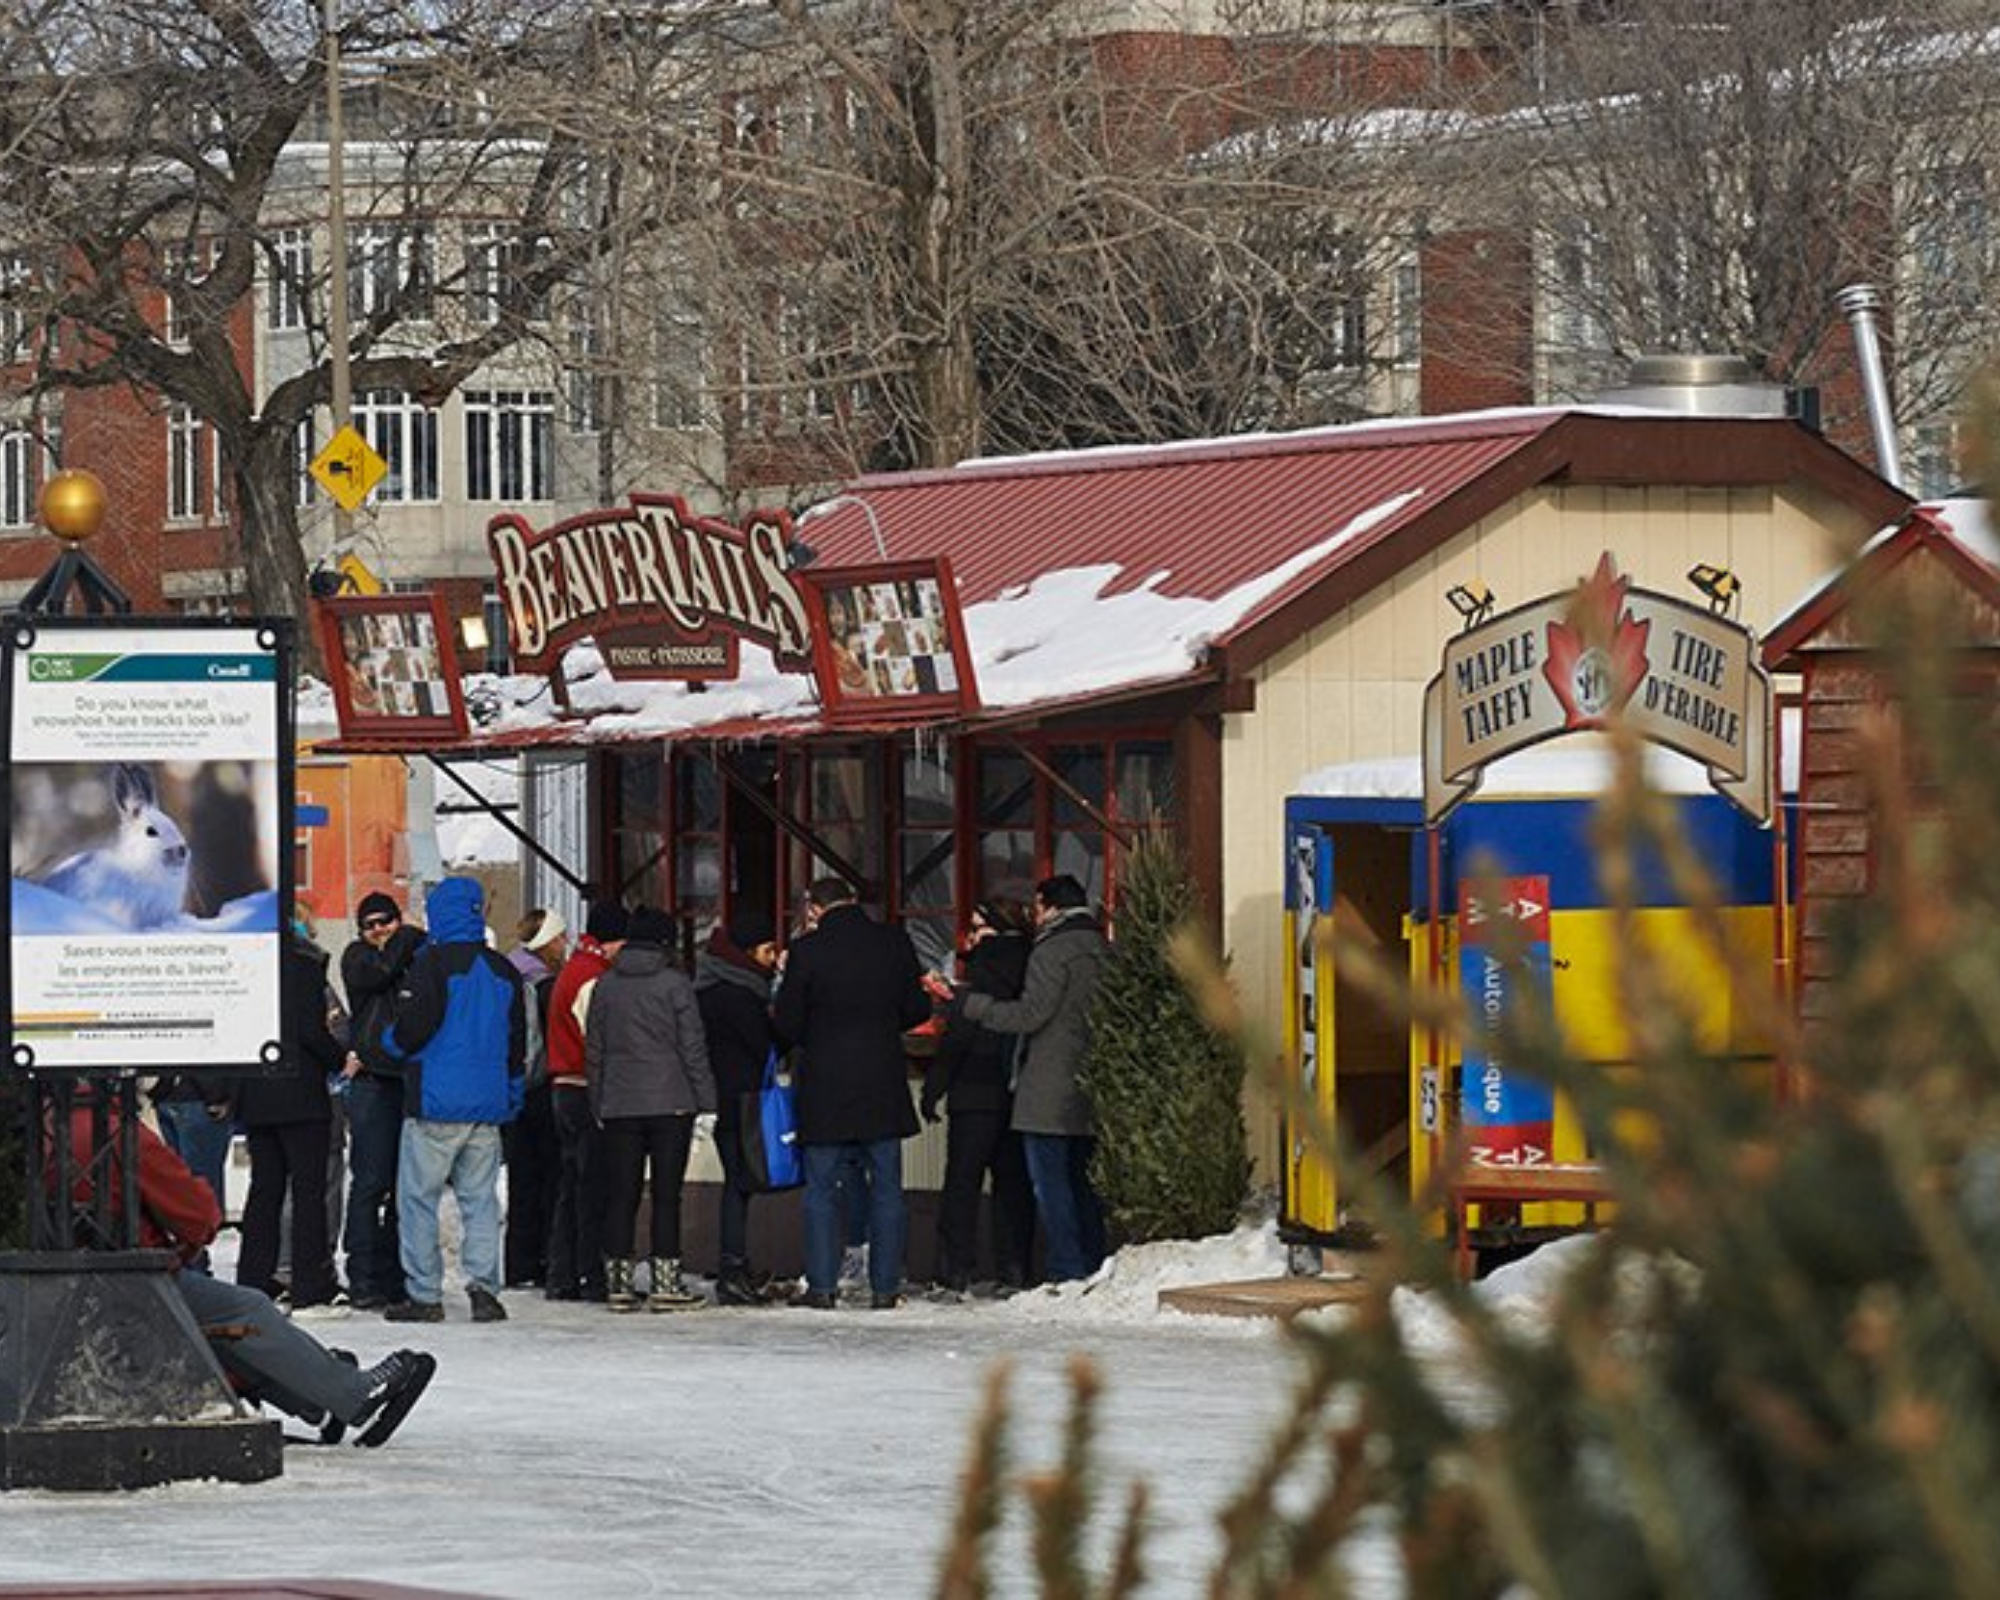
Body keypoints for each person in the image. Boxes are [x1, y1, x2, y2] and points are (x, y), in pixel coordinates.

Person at [62, 1093, 436, 1447]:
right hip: (131, 1277)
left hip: (69, 1282)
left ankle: (315, 1397)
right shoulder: (114, 1133)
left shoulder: (50, 1127)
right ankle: (354, 1397)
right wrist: (181, 1245)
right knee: (244, 1314)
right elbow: (199, 1215)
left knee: (218, 1322)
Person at [772, 876, 929, 1310]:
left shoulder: (807, 951)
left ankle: (823, 1287)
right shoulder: (893, 942)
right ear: (854, 901)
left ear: (814, 909)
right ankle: (885, 1288)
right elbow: (918, 1008)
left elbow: (787, 1023)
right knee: (887, 1188)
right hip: (882, 1079)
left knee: (822, 1189)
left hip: (825, 1085)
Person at [381, 874, 526, 1325]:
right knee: (480, 1201)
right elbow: (517, 1041)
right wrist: (512, 1092)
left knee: (419, 1200)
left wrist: (389, 1043)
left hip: (435, 1102)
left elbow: (411, 1030)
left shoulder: (431, 964)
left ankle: (425, 1295)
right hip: (487, 1104)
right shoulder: (504, 970)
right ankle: (484, 1290)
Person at [961, 874, 1110, 1284]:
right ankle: (1095, 1261)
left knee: (1051, 1184)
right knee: (1085, 1185)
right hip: (1094, 1082)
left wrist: (976, 1006)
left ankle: (1066, 1267)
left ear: (1047, 906)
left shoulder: (1050, 952)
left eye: (1037, 908)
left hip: (1047, 1087)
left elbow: (1032, 1014)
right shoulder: (1103, 948)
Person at [588, 905, 717, 1312]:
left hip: (620, 1103)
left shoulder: (605, 985)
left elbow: (595, 1050)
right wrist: (706, 1102)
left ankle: (619, 1286)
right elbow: (692, 1048)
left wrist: (599, 1100)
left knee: (621, 1194)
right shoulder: (676, 984)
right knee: (666, 1195)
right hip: (671, 1102)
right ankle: (666, 1282)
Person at [921, 897, 1038, 1296]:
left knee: (962, 1185)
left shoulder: (983, 968)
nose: (969, 936)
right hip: (1018, 1090)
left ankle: (956, 1269)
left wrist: (935, 1087)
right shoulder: (1032, 964)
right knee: (1013, 1186)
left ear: (992, 929)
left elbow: (960, 1035)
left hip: (973, 1090)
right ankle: (1015, 1267)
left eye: (975, 927)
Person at [235, 915, 345, 1313]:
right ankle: (309, 1283)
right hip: (301, 1094)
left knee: (264, 1191)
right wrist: (339, 1059)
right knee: (308, 1192)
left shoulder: (246, 968)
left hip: (258, 1094)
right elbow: (312, 1033)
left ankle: (253, 1279)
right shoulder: (304, 969)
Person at [339, 891, 423, 1311]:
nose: (378, 930)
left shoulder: (412, 955)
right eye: (370, 924)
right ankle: (363, 1275)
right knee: (370, 1182)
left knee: (402, 1186)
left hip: (406, 1078)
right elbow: (379, 973)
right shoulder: (358, 957)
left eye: (385, 921)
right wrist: (405, 937)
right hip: (373, 1081)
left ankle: (395, 1274)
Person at [693, 907, 780, 1306]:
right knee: (740, 1185)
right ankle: (731, 1267)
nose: (773, 959)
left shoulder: (710, 986)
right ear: (746, 953)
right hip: (741, 1099)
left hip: (720, 1096)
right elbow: (764, 1043)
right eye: (767, 950)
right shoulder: (742, 996)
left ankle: (735, 1263)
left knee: (738, 1182)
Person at [543, 899, 628, 1303]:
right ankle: (589, 1274)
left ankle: (562, 1273)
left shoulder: (573, 969)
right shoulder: (593, 978)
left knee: (571, 1185)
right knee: (593, 1187)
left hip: (564, 1086)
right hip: (584, 1089)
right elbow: (598, 1041)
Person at [502, 907, 567, 1290]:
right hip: (543, 1088)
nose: (565, 944)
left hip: (511, 1088)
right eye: (560, 937)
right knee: (549, 1178)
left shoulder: (507, 973)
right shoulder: (547, 985)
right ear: (548, 942)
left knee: (521, 1181)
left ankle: (518, 1263)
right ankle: (543, 1258)